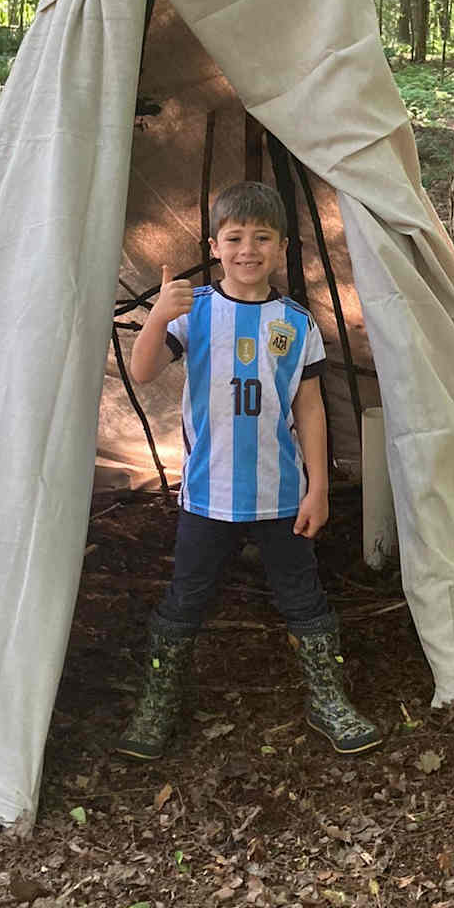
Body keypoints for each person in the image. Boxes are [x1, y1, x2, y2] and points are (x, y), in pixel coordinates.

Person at [116, 180, 382, 760]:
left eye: (261, 238)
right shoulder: (196, 312)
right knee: (186, 596)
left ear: (282, 247)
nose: (247, 250)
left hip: (280, 496)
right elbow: (140, 372)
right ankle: (158, 701)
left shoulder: (296, 323)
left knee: (303, 597)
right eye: (235, 238)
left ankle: (326, 698)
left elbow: (309, 409)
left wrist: (319, 490)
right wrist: (158, 315)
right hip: (208, 497)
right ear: (215, 246)